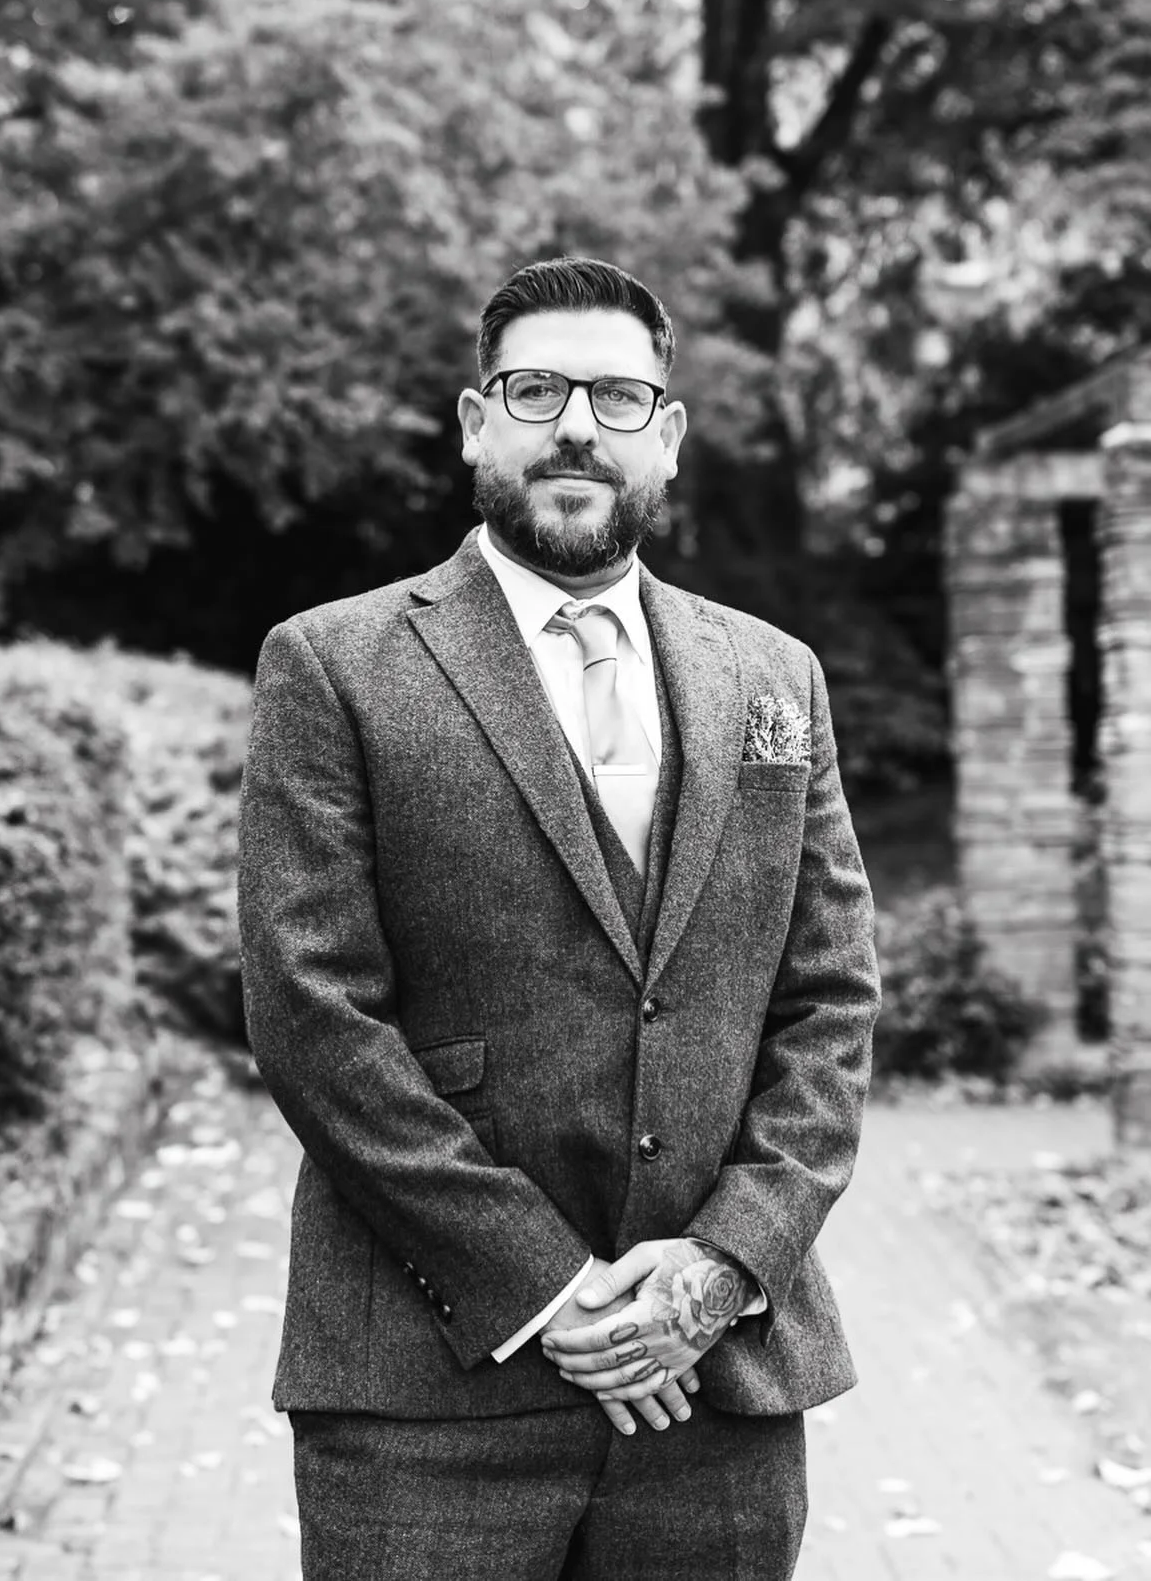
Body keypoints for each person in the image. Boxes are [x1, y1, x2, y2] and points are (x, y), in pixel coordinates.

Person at [237, 255, 880, 1580]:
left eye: (617, 397)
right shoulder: (333, 664)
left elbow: (831, 998)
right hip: (427, 1386)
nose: (578, 425)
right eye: (538, 391)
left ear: (668, 435)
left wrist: (722, 1265)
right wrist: (550, 1284)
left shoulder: (774, 675)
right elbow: (312, 1012)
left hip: (716, 1393)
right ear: (479, 422)